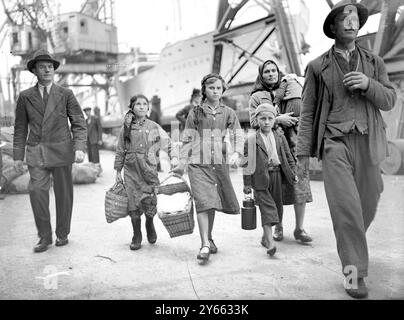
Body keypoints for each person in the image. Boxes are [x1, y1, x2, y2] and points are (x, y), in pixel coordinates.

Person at [297, 0, 396, 299]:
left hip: (368, 143)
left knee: (369, 201)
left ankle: (351, 241)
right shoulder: (317, 67)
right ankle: (354, 274)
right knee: (346, 209)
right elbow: (307, 112)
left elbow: (390, 100)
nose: (352, 22)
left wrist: (368, 84)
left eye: (355, 17)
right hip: (334, 144)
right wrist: (302, 154)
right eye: (345, 17)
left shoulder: (374, 63)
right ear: (333, 27)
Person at [13, 49, 87, 252]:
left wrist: (79, 147)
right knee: (36, 191)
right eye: (42, 67)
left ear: (53, 70)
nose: (46, 70)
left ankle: (62, 234)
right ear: (34, 71)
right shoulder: (25, 97)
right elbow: (20, 128)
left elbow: (79, 123)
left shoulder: (65, 94)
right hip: (36, 152)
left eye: (49, 67)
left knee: (63, 195)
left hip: (61, 151)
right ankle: (44, 237)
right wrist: (18, 156)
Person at [171, 73, 244, 261]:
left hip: (218, 164)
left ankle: (209, 237)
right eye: (211, 88)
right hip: (198, 163)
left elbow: (237, 133)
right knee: (202, 202)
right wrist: (181, 164)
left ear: (223, 90)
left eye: (219, 88)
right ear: (204, 90)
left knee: (211, 202)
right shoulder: (195, 113)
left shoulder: (228, 112)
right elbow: (187, 138)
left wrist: (236, 152)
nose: (215, 91)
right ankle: (204, 244)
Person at [249, 60, 313, 244]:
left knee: (300, 183)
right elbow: (254, 122)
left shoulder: (290, 87)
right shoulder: (256, 97)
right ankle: (278, 226)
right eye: (267, 71)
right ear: (261, 75)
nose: (271, 74)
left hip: (295, 143)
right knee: (275, 190)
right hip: (272, 148)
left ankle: (299, 229)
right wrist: (278, 119)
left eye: (273, 70)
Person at [114, 94, 179, 250]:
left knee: (150, 202)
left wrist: (174, 157)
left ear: (148, 107)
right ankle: (137, 234)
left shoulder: (153, 126)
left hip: (149, 171)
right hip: (131, 172)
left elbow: (167, 143)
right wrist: (118, 171)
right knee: (133, 205)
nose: (142, 106)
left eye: (144, 104)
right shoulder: (126, 128)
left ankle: (150, 223)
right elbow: (120, 150)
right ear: (132, 107)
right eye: (138, 104)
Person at [243, 103, 297, 257]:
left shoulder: (280, 137)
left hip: (278, 176)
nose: (266, 121)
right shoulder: (251, 140)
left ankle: (264, 237)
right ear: (257, 119)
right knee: (268, 210)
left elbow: (288, 157)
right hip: (260, 180)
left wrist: (293, 173)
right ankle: (270, 243)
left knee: (278, 210)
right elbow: (247, 164)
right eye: (262, 118)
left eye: (270, 118)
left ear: (275, 120)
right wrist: (247, 185)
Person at [83, 106, 103, 175]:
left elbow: (100, 129)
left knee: (95, 155)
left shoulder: (95, 119)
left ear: (90, 111)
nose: (87, 113)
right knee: (90, 155)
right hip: (88, 140)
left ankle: (98, 170)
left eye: (88, 111)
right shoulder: (85, 121)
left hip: (95, 140)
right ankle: (92, 170)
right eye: (86, 112)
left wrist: (100, 139)